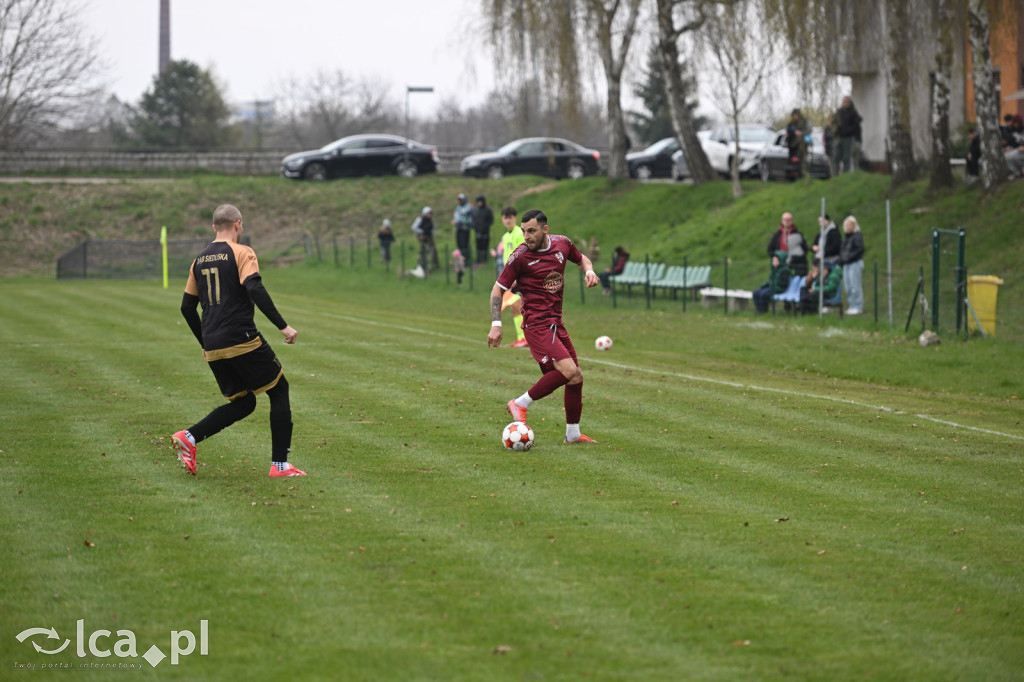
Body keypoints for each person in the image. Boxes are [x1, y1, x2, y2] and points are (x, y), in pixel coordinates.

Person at [172, 204, 305, 478]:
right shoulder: (242, 252)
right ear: (237, 224)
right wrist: (283, 326)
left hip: (214, 344)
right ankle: (280, 465)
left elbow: (187, 307)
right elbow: (254, 287)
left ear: (213, 228)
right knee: (279, 390)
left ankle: (190, 437)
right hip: (240, 337)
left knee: (244, 403)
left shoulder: (198, 260)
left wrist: (204, 343)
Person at [487, 209, 600, 444]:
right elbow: (498, 289)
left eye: (531, 231)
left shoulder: (562, 244)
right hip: (537, 324)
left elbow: (582, 260)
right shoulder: (520, 257)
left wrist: (589, 272)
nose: (526, 236)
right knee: (568, 371)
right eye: (524, 231)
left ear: (544, 229)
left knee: (575, 378)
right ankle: (520, 403)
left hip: (556, 323)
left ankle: (573, 434)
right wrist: (496, 324)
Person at [495, 206, 528, 348]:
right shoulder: (505, 236)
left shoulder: (518, 234)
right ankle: (522, 338)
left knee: (518, 305)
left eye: (510, 217)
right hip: (511, 276)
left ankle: (526, 338)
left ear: (515, 218)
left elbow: (523, 254)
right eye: (505, 217)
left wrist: (516, 276)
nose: (508, 220)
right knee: (515, 307)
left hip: (520, 275)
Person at [767, 212, 809, 277]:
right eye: (785, 220)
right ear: (782, 221)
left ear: (792, 221)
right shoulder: (777, 235)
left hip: (796, 265)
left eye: (789, 220)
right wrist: (775, 257)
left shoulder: (798, 235)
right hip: (781, 264)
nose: (787, 222)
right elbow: (770, 250)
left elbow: (805, 249)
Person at [839, 215, 866, 315]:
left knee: (855, 285)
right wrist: (842, 260)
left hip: (854, 263)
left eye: (849, 225)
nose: (847, 227)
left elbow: (860, 249)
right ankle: (852, 305)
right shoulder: (845, 238)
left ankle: (858, 306)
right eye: (846, 225)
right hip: (846, 264)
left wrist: (849, 257)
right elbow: (842, 251)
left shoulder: (857, 236)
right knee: (848, 286)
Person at [752, 250, 791, 314]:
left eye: (775, 260)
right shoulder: (775, 269)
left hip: (779, 289)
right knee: (756, 292)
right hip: (773, 287)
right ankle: (759, 310)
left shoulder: (785, 270)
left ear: (781, 260)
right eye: (773, 260)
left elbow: (783, 284)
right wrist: (766, 284)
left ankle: (763, 311)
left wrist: (773, 284)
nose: (773, 262)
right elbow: (771, 280)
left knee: (763, 294)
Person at [834, 96, 863, 174]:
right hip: (839, 136)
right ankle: (835, 175)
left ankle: (846, 173)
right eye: (844, 101)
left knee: (846, 157)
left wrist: (848, 131)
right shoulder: (839, 112)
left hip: (848, 137)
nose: (845, 103)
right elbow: (835, 121)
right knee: (837, 156)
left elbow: (856, 124)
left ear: (849, 103)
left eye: (846, 101)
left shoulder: (853, 112)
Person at [412, 206, 438, 273]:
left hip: (429, 237)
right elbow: (414, 227)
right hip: (422, 237)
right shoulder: (420, 219)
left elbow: (433, 228)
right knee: (423, 250)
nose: (430, 215)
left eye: (430, 213)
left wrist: (433, 231)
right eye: (429, 213)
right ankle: (420, 264)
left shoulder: (431, 220)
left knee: (433, 250)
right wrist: (421, 232)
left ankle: (433, 265)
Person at [786, 108, 811, 178]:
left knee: (803, 161)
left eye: (795, 115)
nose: (794, 117)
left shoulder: (805, 122)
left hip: (802, 145)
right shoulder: (791, 124)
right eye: (793, 115)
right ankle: (794, 177)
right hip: (793, 146)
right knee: (794, 163)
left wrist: (801, 133)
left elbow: (808, 132)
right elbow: (788, 132)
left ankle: (803, 176)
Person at [452, 193, 474, 265]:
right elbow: (456, 216)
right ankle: (460, 260)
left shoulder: (468, 207)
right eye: (459, 200)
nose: (460, 201)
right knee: (459, 245)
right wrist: (456, 221)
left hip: (465, 229)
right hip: (459, 229)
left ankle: (466, 261)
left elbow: (467, 217)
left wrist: (459, 220)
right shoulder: (458, 207)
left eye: (461, 200)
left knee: (464, 245)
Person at [473, 195, 494, 266]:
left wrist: (485, 226)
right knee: (478, 246)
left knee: (485, 245)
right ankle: (478, 259)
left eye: (480, 202)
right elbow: (474, 220)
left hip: (485, 232)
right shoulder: (476, 210)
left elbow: (491, 221)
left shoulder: (487, 210)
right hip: (477, 232)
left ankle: (485, 259)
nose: (479, 203)